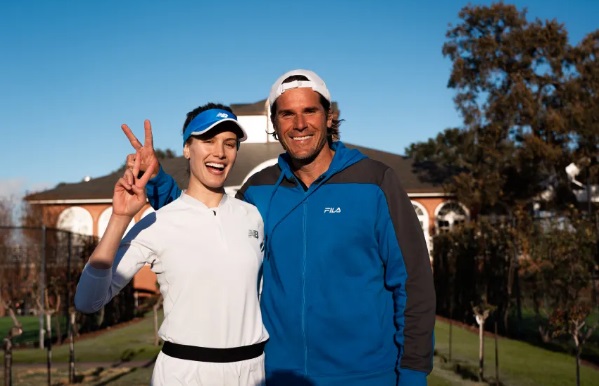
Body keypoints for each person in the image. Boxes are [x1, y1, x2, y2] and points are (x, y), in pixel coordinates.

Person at [126, 70, 436, 386]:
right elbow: (202, 219)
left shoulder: (375, 181)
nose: (299, 124)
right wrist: (156, 181)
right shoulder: (258, 190)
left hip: (367, 376)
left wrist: (413, 371)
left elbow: (413, 282)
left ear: (330, 117)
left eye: (309, 111)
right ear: (274, 124)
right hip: (277, 374)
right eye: (287, 114)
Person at [74, 103, 269, 386]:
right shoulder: (159, 223)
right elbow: (88, 301)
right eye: (208, 140)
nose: (220, 152)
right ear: (187, 149)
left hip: (252, 372)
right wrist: (119, 217)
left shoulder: (252, 216)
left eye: (230, 143)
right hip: (185, 373)